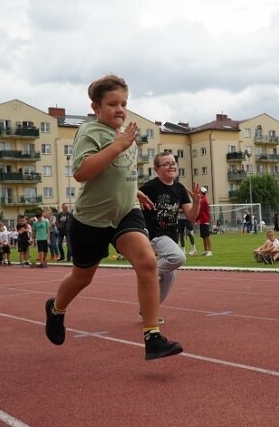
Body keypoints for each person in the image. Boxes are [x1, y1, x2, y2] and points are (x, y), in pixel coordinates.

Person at [44, 73, 182, 360]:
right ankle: (56, 309)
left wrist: (134, 194)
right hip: (90, 220)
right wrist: (117, 145)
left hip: (124, 214)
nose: (120, 109)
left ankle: (152, 335)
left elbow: (122, 174)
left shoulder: (126, 139)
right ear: (96, 107)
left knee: (146, 262)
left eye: (124, 103)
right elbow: (82, 173)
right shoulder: (90, 132)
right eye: (112, 104)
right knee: (83, 278)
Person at [138, 151, 201, 323]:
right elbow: (130, 193)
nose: (171, 166)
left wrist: (196, 202)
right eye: (166, 164)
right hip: (154, 234)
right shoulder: (150, 187)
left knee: (170, 276)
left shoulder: (179, 188)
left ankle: (147, 309)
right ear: (157, 169)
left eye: (173, 163)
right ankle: (147, 272)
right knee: (178, 257)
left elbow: (191, 217)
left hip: (171, 236)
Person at [197, 187, 212, 256]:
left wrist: (196, 219)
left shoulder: (203, 200)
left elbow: (201, 211)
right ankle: (205, 250)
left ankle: (209, 251)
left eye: (199, 192)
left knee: (207, 236)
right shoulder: (203, 200)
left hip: (204, 220)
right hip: (203, 220)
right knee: (204, 236)